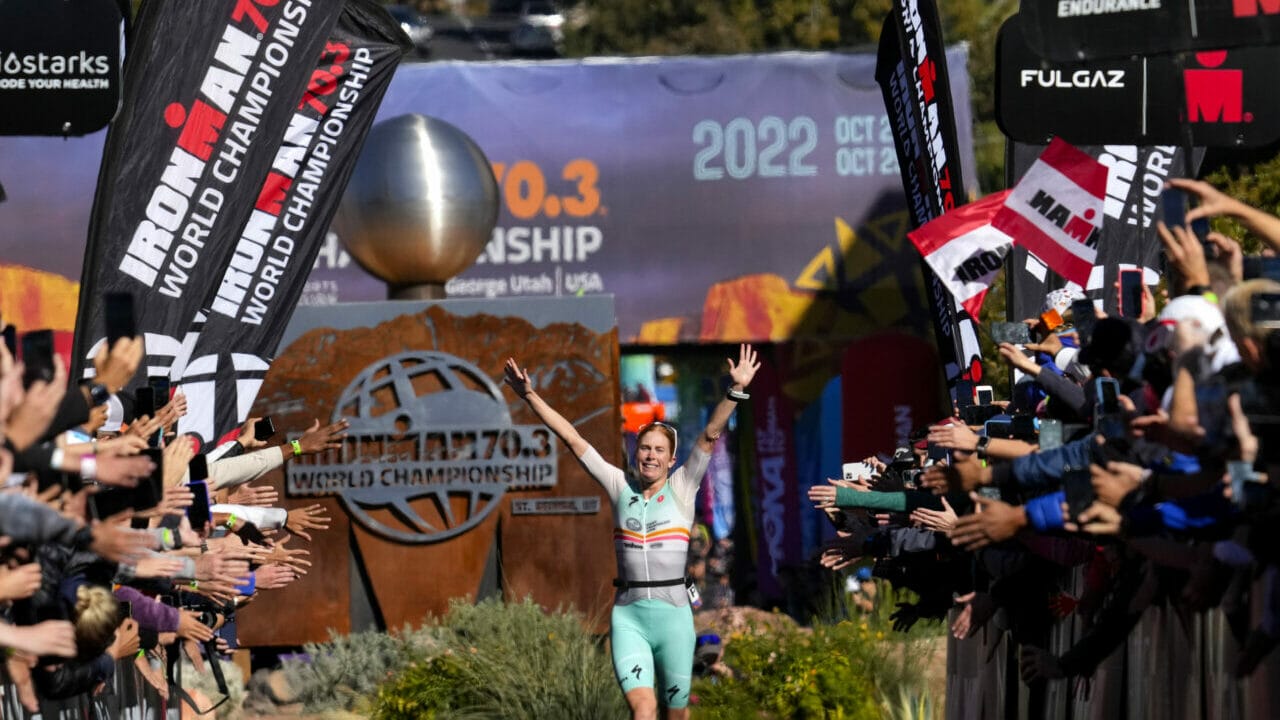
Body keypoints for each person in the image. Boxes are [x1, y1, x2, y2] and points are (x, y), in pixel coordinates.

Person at [504, 344, 759, 720]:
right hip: (629, 619)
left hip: (675, 620)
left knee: (676, 715)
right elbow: (573, 439)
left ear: (672, 460)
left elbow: (709, 435)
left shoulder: (683, 488)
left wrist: (735, 392)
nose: (650, 455)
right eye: (644, 449)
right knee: (642, 710)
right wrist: (529, 396)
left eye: (659, 450)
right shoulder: (619, 485)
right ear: (634, 453)